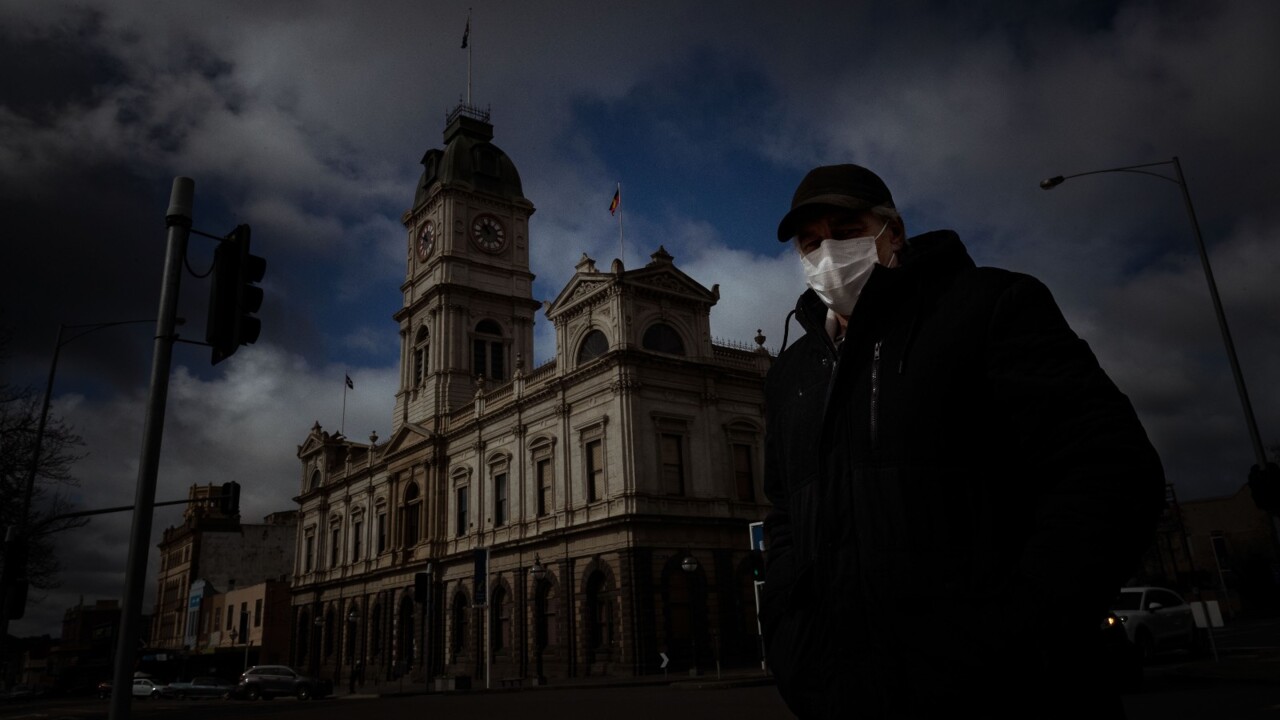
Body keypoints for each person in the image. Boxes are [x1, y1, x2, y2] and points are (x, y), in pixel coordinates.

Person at [760, 164, 1166, 718]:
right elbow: (784, 515)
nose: (828, 254)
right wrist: (791, 642)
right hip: (844, 697)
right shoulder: (791, 375)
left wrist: (1018, 634)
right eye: (811, 243)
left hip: (1010, 694)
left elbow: (1108, 470)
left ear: (892, 233)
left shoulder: (991, 306)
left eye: (847, 231)